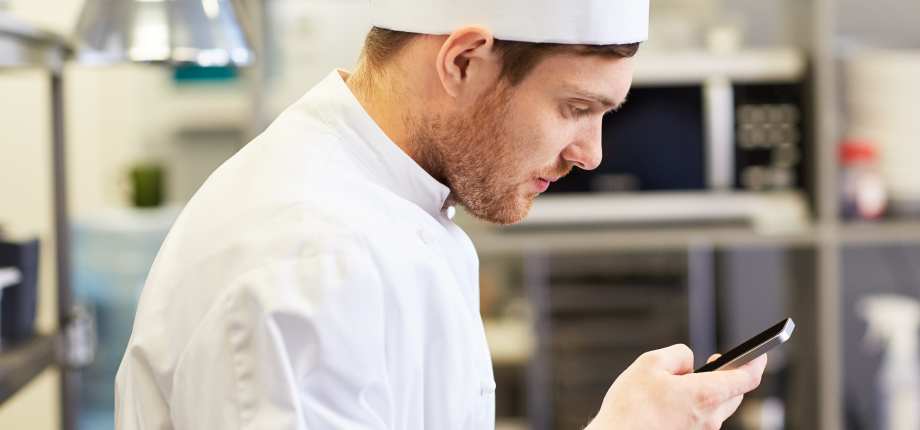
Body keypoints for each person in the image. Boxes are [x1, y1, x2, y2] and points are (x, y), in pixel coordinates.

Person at [115, 0, 767, 428]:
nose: (591, 154)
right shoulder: (309, 253)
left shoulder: (386, 203)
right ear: (462, 62)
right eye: (575, 108)